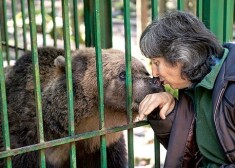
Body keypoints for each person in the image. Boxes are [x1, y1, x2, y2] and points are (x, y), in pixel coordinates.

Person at [138, 10, 235, 168]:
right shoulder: (194, 83)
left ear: (180, 57)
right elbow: (191, 152)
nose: (154, 73)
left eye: (156, 63)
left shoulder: (231, 87)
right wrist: (170, 110)